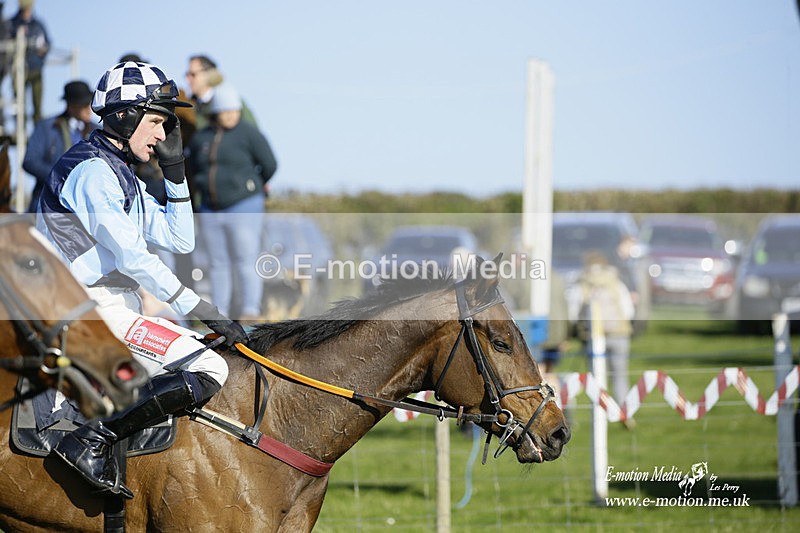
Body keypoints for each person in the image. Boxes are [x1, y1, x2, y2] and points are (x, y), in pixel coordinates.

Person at [35, 61, 248, 499]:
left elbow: (179, 238)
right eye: (156, 122)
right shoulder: (93, 173)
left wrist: (175, 175)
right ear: (124, 116)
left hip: (108, 308)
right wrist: (201, 309)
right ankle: (91, 441)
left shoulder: (120, 173)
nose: (162, 134)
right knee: (210, 366)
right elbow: (134, 257)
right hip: (87, 312)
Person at [188, 83, 277, 320]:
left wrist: (251, 186)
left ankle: (250, 309)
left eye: (234, 111)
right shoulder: (201, 138)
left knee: (245, 258)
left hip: (244, 204)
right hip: (210, 208)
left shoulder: (249, 134)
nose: (230, 116)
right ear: (216, 112)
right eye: (225, 111)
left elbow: (269, 164)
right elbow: (193, 168)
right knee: (217, 263)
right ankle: (221, 312)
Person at [577, 251, 634, 421]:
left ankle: (600, 411)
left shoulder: (584, 284)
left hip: (594, 336)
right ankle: (624, 411)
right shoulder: (615, 281)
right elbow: (628, 309)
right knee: (620, 374)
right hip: (619, 334)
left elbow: (575, 311)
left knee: (597, 376)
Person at [23, 80, 96, 212]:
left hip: (85, 208)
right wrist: (59, 177)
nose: (89, 109)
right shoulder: (46, 127)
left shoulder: (96, 131)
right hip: (47, 205)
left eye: (89, 103)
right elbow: (30, 161)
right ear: (71, 106)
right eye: (84, 104)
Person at [185, 54, 257, 131]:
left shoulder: (231, 102)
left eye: (193, 75)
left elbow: (253, 133)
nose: (188, 80)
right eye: (187, 75)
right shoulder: (188, 107)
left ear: (208, 74)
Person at [9, 0, 50, 124]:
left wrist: (41, 58)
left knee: (37, 104)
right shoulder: (12, 24)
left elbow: (48, 43)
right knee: (19, 103)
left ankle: (37, 129)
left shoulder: (38, 24)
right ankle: (20, 127)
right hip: (18, 69)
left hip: (36, 68)